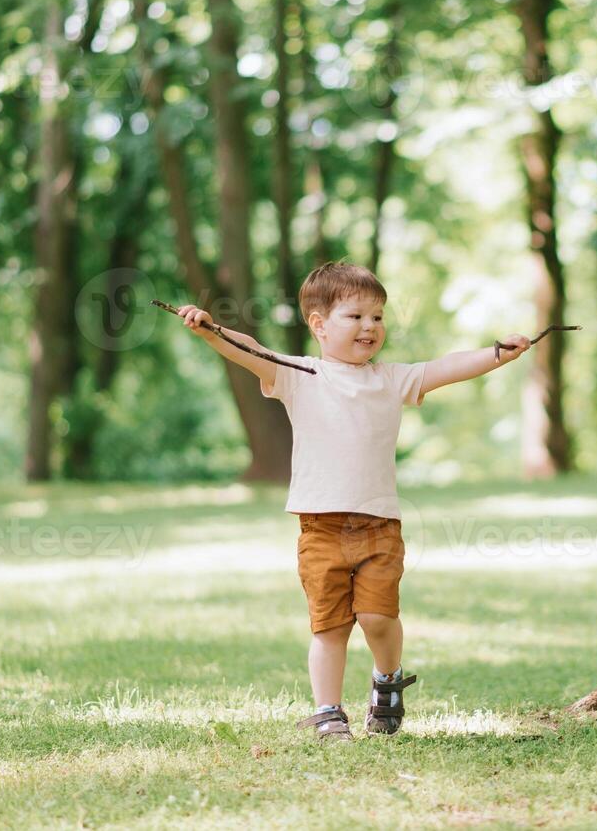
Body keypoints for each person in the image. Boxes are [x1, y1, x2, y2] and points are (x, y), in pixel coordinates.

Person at [175, 261, 531, 740]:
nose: (370, 326)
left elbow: (444, 367)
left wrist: (497, 354)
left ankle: (388, 681)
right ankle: (327, 712)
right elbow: (250, 350)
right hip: (320, 527)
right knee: (330, 625)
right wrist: (210, 330)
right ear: (319, 325)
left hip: (379, 526)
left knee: (378, 617)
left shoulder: (390, 379)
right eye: (356, 316)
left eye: (378, 317)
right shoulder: (300, 374)